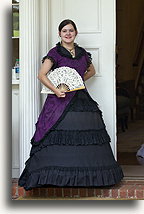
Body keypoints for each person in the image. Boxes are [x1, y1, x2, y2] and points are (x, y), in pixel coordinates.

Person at [18, 19, 124, 190]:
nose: (68, 34)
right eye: (64, 31)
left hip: (80, 98)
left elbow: (92, 71)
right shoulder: (55, 53)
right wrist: (56, 89)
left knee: (85, 136)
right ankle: (52, 177)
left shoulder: (82, 53)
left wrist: (78, 83)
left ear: (76, 33)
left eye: (71, 31)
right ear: (59, 34)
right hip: (59, 100)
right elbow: (42, 74)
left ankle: (85, 178)